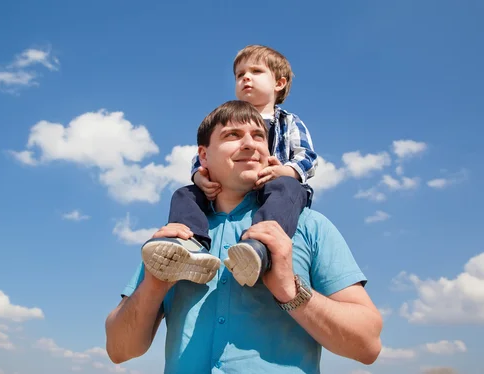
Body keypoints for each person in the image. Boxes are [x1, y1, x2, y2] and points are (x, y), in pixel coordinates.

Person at [105, 100, 383, 373]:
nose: (250, 144)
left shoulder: (310, 226)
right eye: (232, 135)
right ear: (203, 156)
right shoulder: (174, 238)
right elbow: (120, 350)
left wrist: (291, 291)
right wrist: (154, 284)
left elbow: (367, 346)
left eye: (259, 136)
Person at [141, 45, 318, 288]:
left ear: (279, 83)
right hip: (231, 189)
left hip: (274, 187)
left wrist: (286, 171)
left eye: (256, 71)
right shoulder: (226, 117)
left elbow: (306, 155)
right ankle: (191, 244)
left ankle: (259, 246)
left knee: (287, 189)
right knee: (185, 194)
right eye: (239, 74)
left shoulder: (288, 122)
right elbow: (204, 155)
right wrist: (199, 177)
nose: (246, 77)